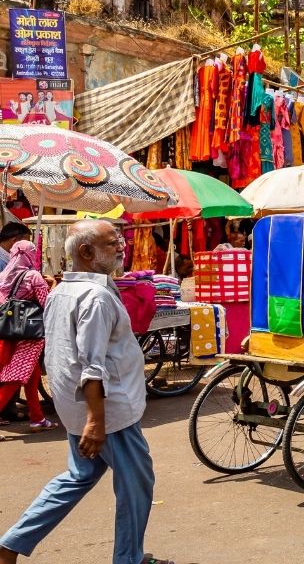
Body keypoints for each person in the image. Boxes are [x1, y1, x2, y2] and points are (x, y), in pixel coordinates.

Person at [0, 220, 175, 564]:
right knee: (137, 484)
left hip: (79, 407)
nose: (122, 246)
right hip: (109, 412)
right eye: (113, 243)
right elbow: (91, 364)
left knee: (80, 475)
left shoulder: (65, 290)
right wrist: (96, 421)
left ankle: (11, 543)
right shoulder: (93, 297)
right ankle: (129, 559)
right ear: (86, 252)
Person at [0, 241, 54, 431]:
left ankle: (37, 419)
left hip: (7, 332)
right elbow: (47, 304)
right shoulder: (33, 276)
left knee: (32, 376)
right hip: (29, 334)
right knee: (16, 377)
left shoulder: (3, 276)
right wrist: (53, 285)